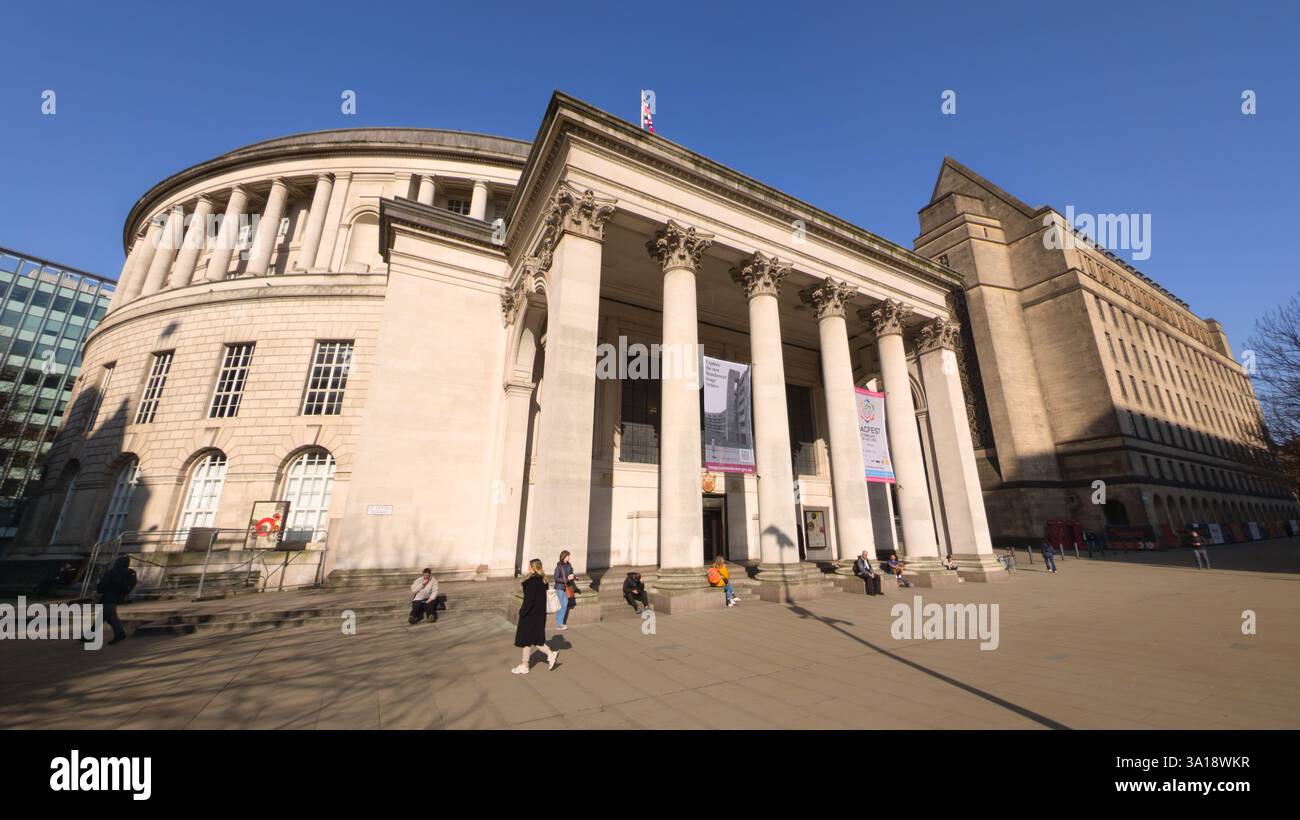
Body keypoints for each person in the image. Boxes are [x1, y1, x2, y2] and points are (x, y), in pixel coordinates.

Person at [512, 558, 559, 675]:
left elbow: (529, 601)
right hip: (539, 615)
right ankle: (527, 663)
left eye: (529, 567)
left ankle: (525, 665)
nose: (528, 569)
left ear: (533, 568)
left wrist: (522, 612)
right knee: (534, 640)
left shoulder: (532, 582)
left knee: (527, 640)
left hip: (530, 615)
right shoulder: (543, 581)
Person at [95, 556, 136, 646]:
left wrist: (99, 589)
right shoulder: (130, 572)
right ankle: (90, 634)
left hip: (108, 596)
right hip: (119, 596)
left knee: (110, 615)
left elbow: (102, 585)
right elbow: (131, 585)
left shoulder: (112, 572)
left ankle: (120, 633)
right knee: (105, 615)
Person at [553, 550, 575, 631]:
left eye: (569, 556)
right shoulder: (559, 566)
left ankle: (560, 623)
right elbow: (556, 578)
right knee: (562, 605)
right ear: (564, 556)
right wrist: (566, 579)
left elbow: (571, 573)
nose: (569, 557)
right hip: (560, 588)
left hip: (566, 587)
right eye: (568, 556)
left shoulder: (569, 565)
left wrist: (574, 577)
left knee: (564, 604)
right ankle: (559, 624)